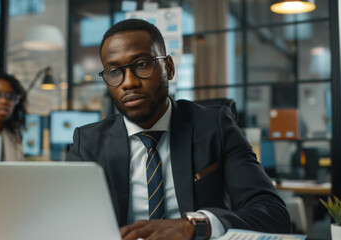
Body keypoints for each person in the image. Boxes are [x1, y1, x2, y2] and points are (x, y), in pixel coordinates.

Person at [66, 19, 291, 239]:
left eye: (142, 64)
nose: (129, 82)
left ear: (169, 68)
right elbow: (66, 220)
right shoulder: (88, 142)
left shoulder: (215, 126)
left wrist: (194, 225)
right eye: (115, 71)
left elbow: (273, 213)